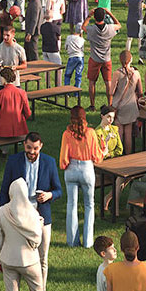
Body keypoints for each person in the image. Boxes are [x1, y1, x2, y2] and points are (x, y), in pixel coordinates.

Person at [0, 178, 53, 291]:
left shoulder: (2, 211)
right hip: (30, 261)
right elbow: (37, 238)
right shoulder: (33, 213)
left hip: (8, 260)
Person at [0, 132, 61, 288]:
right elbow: (4, 189)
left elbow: (59, 190)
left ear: (40, 147)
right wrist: (3, 213)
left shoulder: (49, 162)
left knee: (43, 256)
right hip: (18, 215)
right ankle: (16, 289)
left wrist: (49, 195)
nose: (31, 152)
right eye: (28, 147)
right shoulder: (14, 161)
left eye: (35, 148)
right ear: (24, 145)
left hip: (42, 214)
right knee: (17, 255)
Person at [59, 105, 103, 247]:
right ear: (85, 118)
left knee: (71, 205)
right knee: (89, 205)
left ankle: (72, 241)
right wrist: (104, 150)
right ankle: (88, 242)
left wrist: (65, 165)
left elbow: (63, 159)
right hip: (86, 169)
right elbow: (97, 157)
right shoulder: (90, 133)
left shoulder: (66, 134)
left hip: (71, 169)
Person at [83, 7, 120, 111]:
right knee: (108, 83)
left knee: (92, 82)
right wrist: (110, 13)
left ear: (95, 17)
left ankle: (92, 105)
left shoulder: (91, 29)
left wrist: (89, 15)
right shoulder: (109, 28)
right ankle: (110, 104)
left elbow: (83, 27)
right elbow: (119, 25)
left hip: (94, 59)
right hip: (107, 59)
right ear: (104, 17)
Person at [108, 50, 143, 154]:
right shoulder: (136, 73)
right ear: (131, 59)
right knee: (128, 133)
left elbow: (111, 92)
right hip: (131, 106)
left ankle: (118, 153)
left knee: (119, 132)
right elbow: (140, 91)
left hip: (119, 106)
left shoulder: (117, 74)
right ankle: (128, 155)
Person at [0, 66, 31, 139]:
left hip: (3, 129)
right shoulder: (22, 92)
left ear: (3, 78)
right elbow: (28, 113)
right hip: (19, 127)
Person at [64, 22, 85, 88]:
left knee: (68, 74)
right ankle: (77, 91)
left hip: (72, 57)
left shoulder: (69, 37)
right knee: (78, 75)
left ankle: (66, 90)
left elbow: (65, 47)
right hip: (80, 57)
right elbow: (82, 49)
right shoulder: (82, 40)